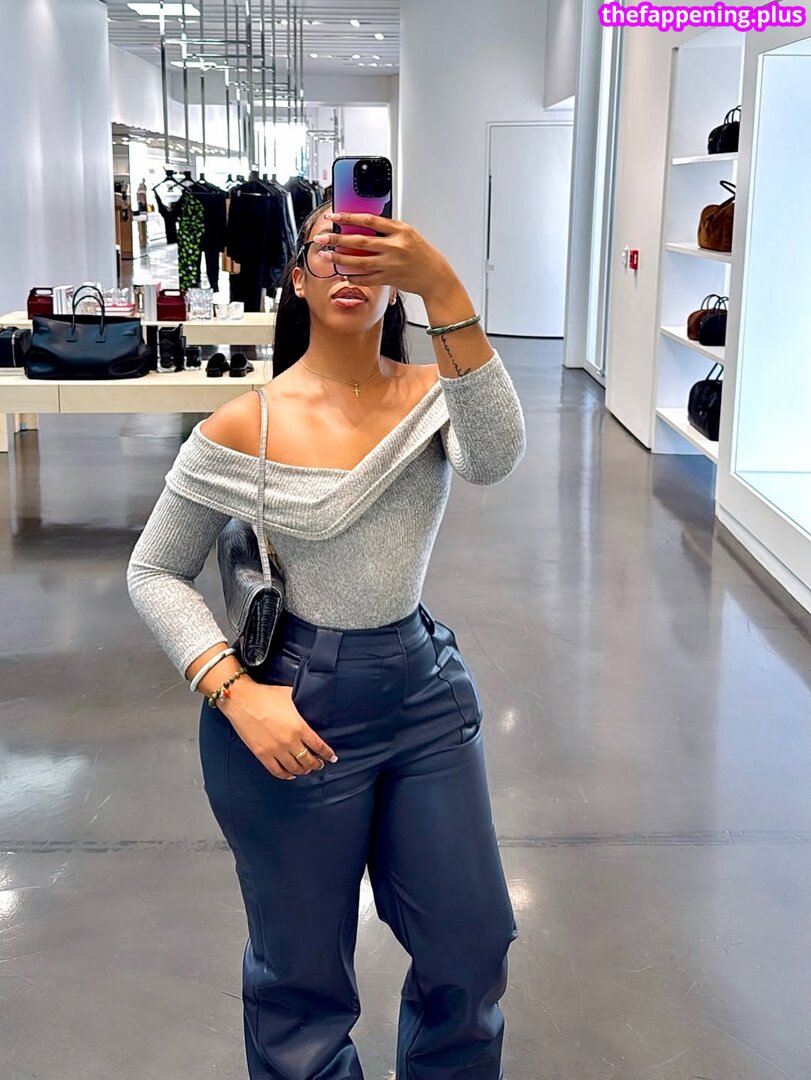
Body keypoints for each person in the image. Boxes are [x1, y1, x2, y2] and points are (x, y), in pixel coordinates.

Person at [127, 201, 527, 1079]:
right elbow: (153, 570)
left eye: (370, 251)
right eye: (325, 252)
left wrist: (445, 289)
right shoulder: (247, 422)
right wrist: (233, 692)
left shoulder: (432, 398)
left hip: (422, 689)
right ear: (297, 280)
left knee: (469, 943)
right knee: (300, 975)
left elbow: (495, 456)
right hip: (293, 697)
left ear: (395, 279)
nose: (348, 267)